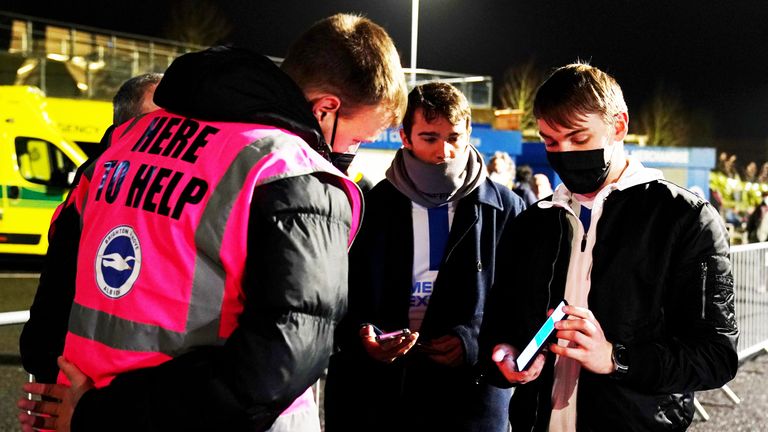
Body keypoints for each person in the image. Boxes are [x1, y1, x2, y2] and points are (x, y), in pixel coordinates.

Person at [18, 13, 407, 432]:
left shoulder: (126, 141)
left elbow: (53, 305)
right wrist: (103, 414)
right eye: (359, 138)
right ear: (325, 109)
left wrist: (72, 401)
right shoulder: (291, 172)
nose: (354, 152)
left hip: (80, 403)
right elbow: (281, 362)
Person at [481, 62, 738, 431]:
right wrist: (502, 359)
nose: (564, 152)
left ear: (619, 125)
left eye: (579, 138)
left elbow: (715, 356)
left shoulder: (685, 219)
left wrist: (614, 358)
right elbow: (498, 325)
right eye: (550, 141)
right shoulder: (533, 223)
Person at [324, 82, 524, 432]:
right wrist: (363, 335)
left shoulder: (506, 208)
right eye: (430, 138)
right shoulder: (371, 206)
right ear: (405, 137)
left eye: (454, 138)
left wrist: (472, 340)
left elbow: (519, 302)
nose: (444, 151)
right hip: (386, 397)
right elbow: (339, 295)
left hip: (471, 400)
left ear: (469, 135)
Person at [19, 72, 162, 384]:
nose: (169, 128)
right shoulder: (96, 180)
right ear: (127, 122)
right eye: (157, 118)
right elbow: (57, 290)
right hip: (80, 386)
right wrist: (46, 376)